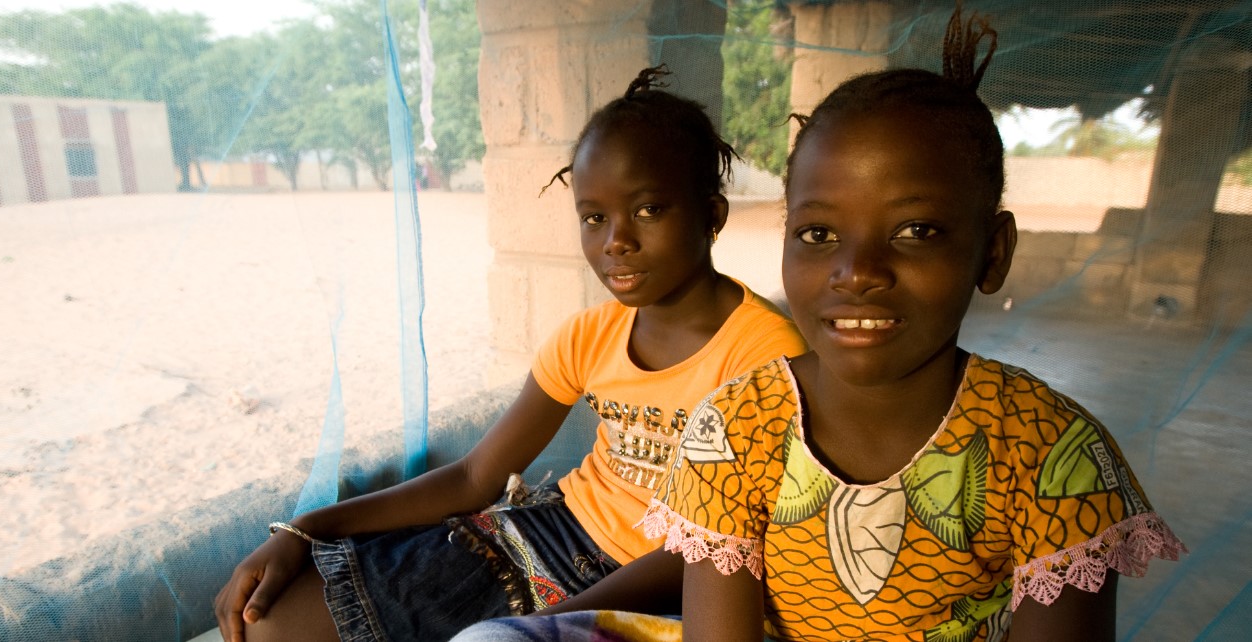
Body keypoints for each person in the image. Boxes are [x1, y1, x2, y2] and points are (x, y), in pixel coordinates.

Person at [452, 5, 1186, 642]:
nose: (857, 270)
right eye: (818, 235)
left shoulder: (1056, 455)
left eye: (917, 230)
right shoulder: (738, 426)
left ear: (991, 253)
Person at [212, 65, 808, 642]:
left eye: (648, 209)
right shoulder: (588, 335)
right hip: (543, 532)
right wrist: (304, 530)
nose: (616, 241)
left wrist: (547, 625)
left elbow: (721, 548)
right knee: (273, 622)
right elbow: (477, 476)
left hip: (665, 578)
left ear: (712, 215)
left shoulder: (764, 354)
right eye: (594, 217)